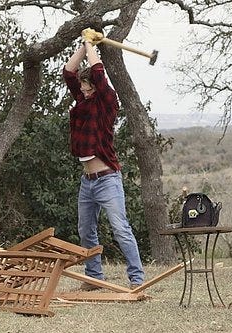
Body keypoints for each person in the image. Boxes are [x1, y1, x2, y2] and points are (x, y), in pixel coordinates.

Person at [62, 36, 145, 290]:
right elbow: (68, 72)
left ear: (98, 89)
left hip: (107, 179)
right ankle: (94, 277)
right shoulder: (84, 102)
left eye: (89, 89)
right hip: (87, 182)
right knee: (86, 230)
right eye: (83, 89)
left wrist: (91, 46)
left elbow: (98, 72)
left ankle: (137, 278)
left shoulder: (107, 103)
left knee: (120, 229)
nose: (85, 92)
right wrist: (83, 44)